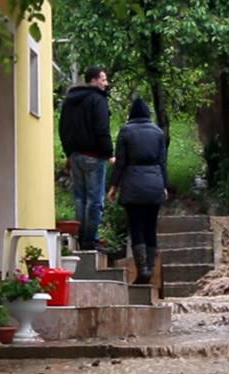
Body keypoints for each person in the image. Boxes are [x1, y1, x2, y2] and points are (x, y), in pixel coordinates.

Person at [107, 97, 168, 285]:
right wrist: (164, 185)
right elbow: (163, 162)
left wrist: (113, 186)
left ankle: (142, 268)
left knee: (136, 226)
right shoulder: (158, 132)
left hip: (133, 184)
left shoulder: (126, 131)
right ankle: (150, 266)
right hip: (154, 183)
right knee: (151, 226)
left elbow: (121, 163)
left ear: (132, 114)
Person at [58, 66, 114, 250]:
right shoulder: (97, 100)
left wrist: (69, 153)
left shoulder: (70, 101)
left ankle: (80, 237)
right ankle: (90, 240)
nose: (106, 84)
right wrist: (108, 153)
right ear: (94, 80)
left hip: (75, 156)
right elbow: (101, 129)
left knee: (80, 198)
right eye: (103, 79)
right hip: (94, 156)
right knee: (95, 200)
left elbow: (63, 128)